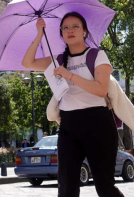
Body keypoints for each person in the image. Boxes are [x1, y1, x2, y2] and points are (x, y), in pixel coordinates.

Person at [22, 12, 124, 197]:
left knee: (105, 186)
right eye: (65, 28)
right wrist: (39, 34)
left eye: (75, 26)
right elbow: (27, 62)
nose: (70, 30)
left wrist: (69, 75)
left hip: (98, 122)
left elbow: (101, 90)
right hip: (69, 125)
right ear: (61, 33)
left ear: (84, 31)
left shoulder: (97, 55)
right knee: (67, 187)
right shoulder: (59, 59)